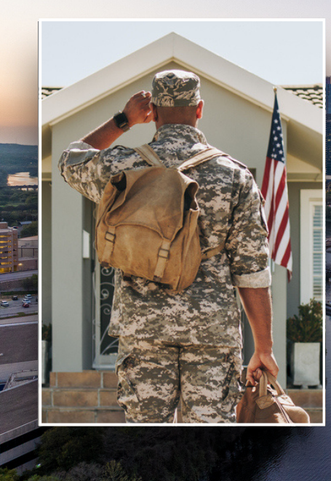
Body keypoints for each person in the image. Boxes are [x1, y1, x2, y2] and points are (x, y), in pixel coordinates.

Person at [59, 69, 278, 423]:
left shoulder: (121, 166)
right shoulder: (235, 176)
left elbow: (70, 160)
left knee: (151, 450)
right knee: (208, 451)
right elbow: (252, 270)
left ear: (153, 113)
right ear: (199, 109)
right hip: (212, 335)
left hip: (143, 333)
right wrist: (264, 348)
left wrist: (123, 120)